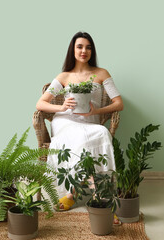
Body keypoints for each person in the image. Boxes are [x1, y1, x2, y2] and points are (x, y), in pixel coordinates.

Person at [36, 32, 124, 211]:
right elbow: (40, 103)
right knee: (82, 139)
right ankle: (99, 198)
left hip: (90, 123)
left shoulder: (101, 73)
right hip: (65, 122)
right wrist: (61, 108)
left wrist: (97, 111)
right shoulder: (64, 76)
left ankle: (72, 193)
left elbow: (119, 103)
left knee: (101, 132)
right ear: (73, 49)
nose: (84, 51)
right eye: (80, 46)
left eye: (88, 47)